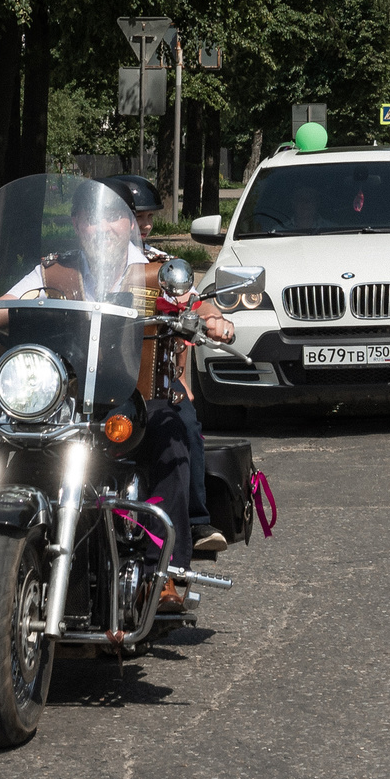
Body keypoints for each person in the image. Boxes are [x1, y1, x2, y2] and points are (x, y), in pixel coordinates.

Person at [97, 173, 234, 556]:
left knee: (181, 423)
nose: (103, 228)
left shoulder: (158, 271)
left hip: (148, 383)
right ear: (77, 222)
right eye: (93, 218)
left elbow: (195, 303)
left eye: (116, 218)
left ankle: (190, 526)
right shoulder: (58, 269)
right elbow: (14, 301)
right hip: (77, 389)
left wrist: (213, 319)